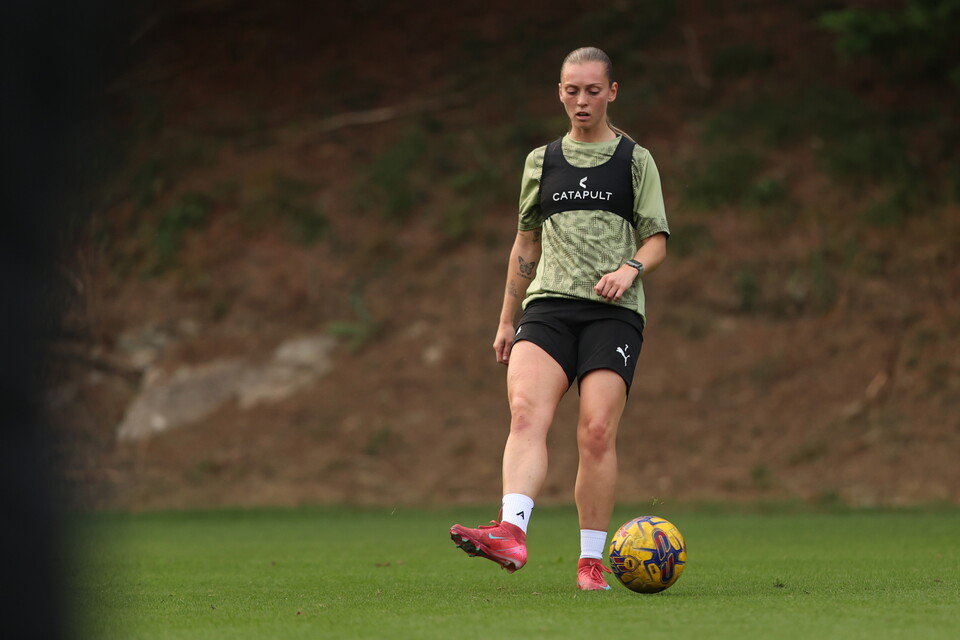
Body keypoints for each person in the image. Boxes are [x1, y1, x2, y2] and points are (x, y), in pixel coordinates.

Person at [450, 46, 669, 591]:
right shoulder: (540, 161)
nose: (582, 100)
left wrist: (630, 268)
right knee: (525, 414)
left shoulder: (635, 160)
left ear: (612, 92)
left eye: (593, 90)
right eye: (572, 91)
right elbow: (525, 242)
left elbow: (658, 239)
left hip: (612, 315)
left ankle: (591, 561)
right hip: (546, 308)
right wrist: (506, 319)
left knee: (595, 431)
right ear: (560, 94)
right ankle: (511, 532)